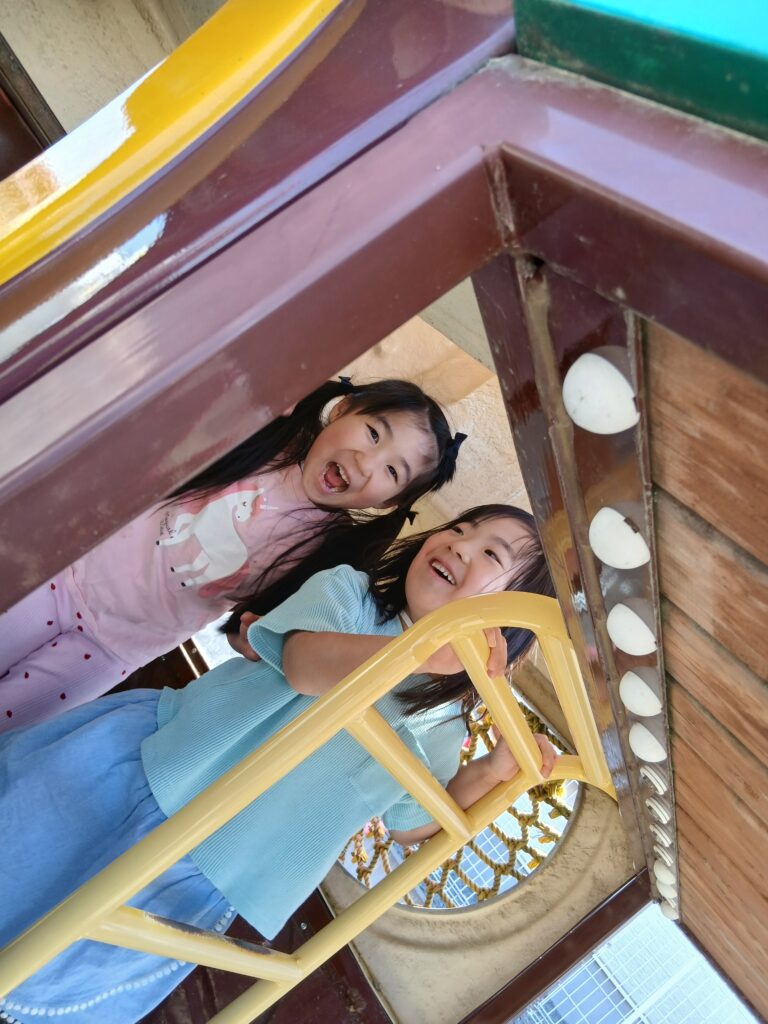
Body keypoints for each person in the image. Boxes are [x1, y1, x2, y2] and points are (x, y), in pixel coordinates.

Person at [0, 504, 556, 1024]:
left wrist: (492, 770)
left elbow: (412, 823)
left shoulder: (442, 725)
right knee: (19, 852)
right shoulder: (350, 594)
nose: (460, 545)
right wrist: (418, 654)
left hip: (217, 871)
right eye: (460, 528)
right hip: (152, 768)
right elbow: (302, 664)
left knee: (54, 965)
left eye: (491, 553)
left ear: (504, 631)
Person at [0, 377, 464, 731]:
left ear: (387, 502)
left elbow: (271, 629)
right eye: (374, 434)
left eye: (392, 471)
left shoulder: (331, 553)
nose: (366, 461)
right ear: (341, 409)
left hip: (110, 648)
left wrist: (255, 640)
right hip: (64, 576)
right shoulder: (268, 434)